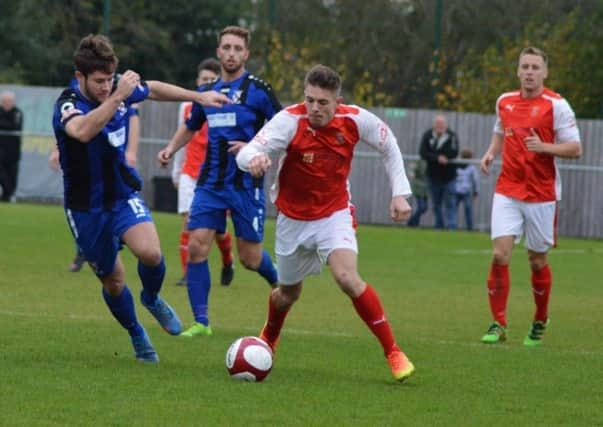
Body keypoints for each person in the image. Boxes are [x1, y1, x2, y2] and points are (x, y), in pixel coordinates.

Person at [51, 34, 230, 362]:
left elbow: (155, 89)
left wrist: (199, 97)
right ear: (80, 77)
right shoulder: (68, 102)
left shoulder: (116, 86)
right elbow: (80, 131)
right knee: (114, 280)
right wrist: (118, 96)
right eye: (99, 81)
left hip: (120, 194)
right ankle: (136, 332)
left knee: (150, 253)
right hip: (86, 207)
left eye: (110, 80)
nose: (106, 86)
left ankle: (151, 298)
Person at [236, 64, 416, 383]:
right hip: (292, 219)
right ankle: (270, 337)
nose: (315, 108)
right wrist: (253, 159)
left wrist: (400, 193)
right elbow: (250, 149)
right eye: (310, 100)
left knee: (347, 277)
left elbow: (389, 146)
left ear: (338, 101)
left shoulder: (356, 119)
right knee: (287, 294)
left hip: (334, 213)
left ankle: (393, 351)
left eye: (323, 102)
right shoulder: (290, 120)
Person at [158, 26, 280, 338]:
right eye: (226, 47)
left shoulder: (259, 91)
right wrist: (171, 149)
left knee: (250, 259)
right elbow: (191, 125)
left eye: (238, 48)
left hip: (245, 186)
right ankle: (201, 322)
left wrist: (256, 149)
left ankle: (280, 281)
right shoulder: (207, 93)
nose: (231, 53)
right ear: (218, 51)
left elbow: (285, 129)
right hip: (209, 183)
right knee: (197, 245)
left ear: (246, 54)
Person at [479, 46, 581, 346]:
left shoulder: (557, 105)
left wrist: (545, 148)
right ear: (518, 71)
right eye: (525, 66)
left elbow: (576, 148)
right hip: (508, 189)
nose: (529, 72)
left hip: (541, 194)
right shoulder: (505, 102)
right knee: (499, 254)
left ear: (545, 72)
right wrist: (490, 153)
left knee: (537, 260)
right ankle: (498, 323)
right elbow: (500, 130)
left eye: (535, 67)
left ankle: (540, 318)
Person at [49, 103, 141, 273]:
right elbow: (69, 125)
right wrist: (56, 149)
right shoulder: (73, 94)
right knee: (88, 214)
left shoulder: (122, 85)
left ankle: (150, 291)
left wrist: (131, 151)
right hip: (86, 170)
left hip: (115, 166)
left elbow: (135, 114)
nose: (104, 84)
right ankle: (84, 251)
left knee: (149, 251)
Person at [171, 59, 235, 287]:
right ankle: (188, 273)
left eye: (211, 80)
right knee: (189, 223)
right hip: (191, 172)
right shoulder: (187, 106)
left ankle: (228, 261)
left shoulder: (226, 104)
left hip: (216, 177)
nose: (207, 83)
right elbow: (184, 135)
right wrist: (177, 172)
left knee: (219, 231)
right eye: (203, 80)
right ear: (197, 82)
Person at [419, 114, 459, 229]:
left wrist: (445, 156)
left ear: (446, 125)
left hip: (449, 176)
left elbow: (455, 152)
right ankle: (439, 226)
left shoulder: (452, 136)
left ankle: (452, 227)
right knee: (436, 204)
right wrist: (437, 158)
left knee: (450, 203)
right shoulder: (427, 135)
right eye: (438, 124)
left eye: (442, 124)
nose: (440, 126)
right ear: (434, 125)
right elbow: (423, 152)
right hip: (433, 176)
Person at [0, 91, 24, 202]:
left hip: (13, 150)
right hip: (1, 148)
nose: (7, 103)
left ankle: (8, 195)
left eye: (9, 101)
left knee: (12, 173)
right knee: (2, 172)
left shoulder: (17, 113)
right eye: (5, 101)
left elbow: (15, 126)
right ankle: (6, 192)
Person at [454, 148, 479, 231]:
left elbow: (475, 180)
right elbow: (475, 180)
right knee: (465, 210)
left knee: (466, 210)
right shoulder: (470, 167)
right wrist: (476, 191)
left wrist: (476, 191)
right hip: (459, 190)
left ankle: (469, 228)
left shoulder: (470, 167)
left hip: (462, 190)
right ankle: (467, 228)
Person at [407, 158, 428, 227]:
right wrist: (412, 174)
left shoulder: (432, 162)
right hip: (418, 188)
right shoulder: (419, 162)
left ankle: (412, 222)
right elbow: (411, 170)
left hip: (426, 190)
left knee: (424, 208)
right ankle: (413, 223)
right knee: (421, 207)